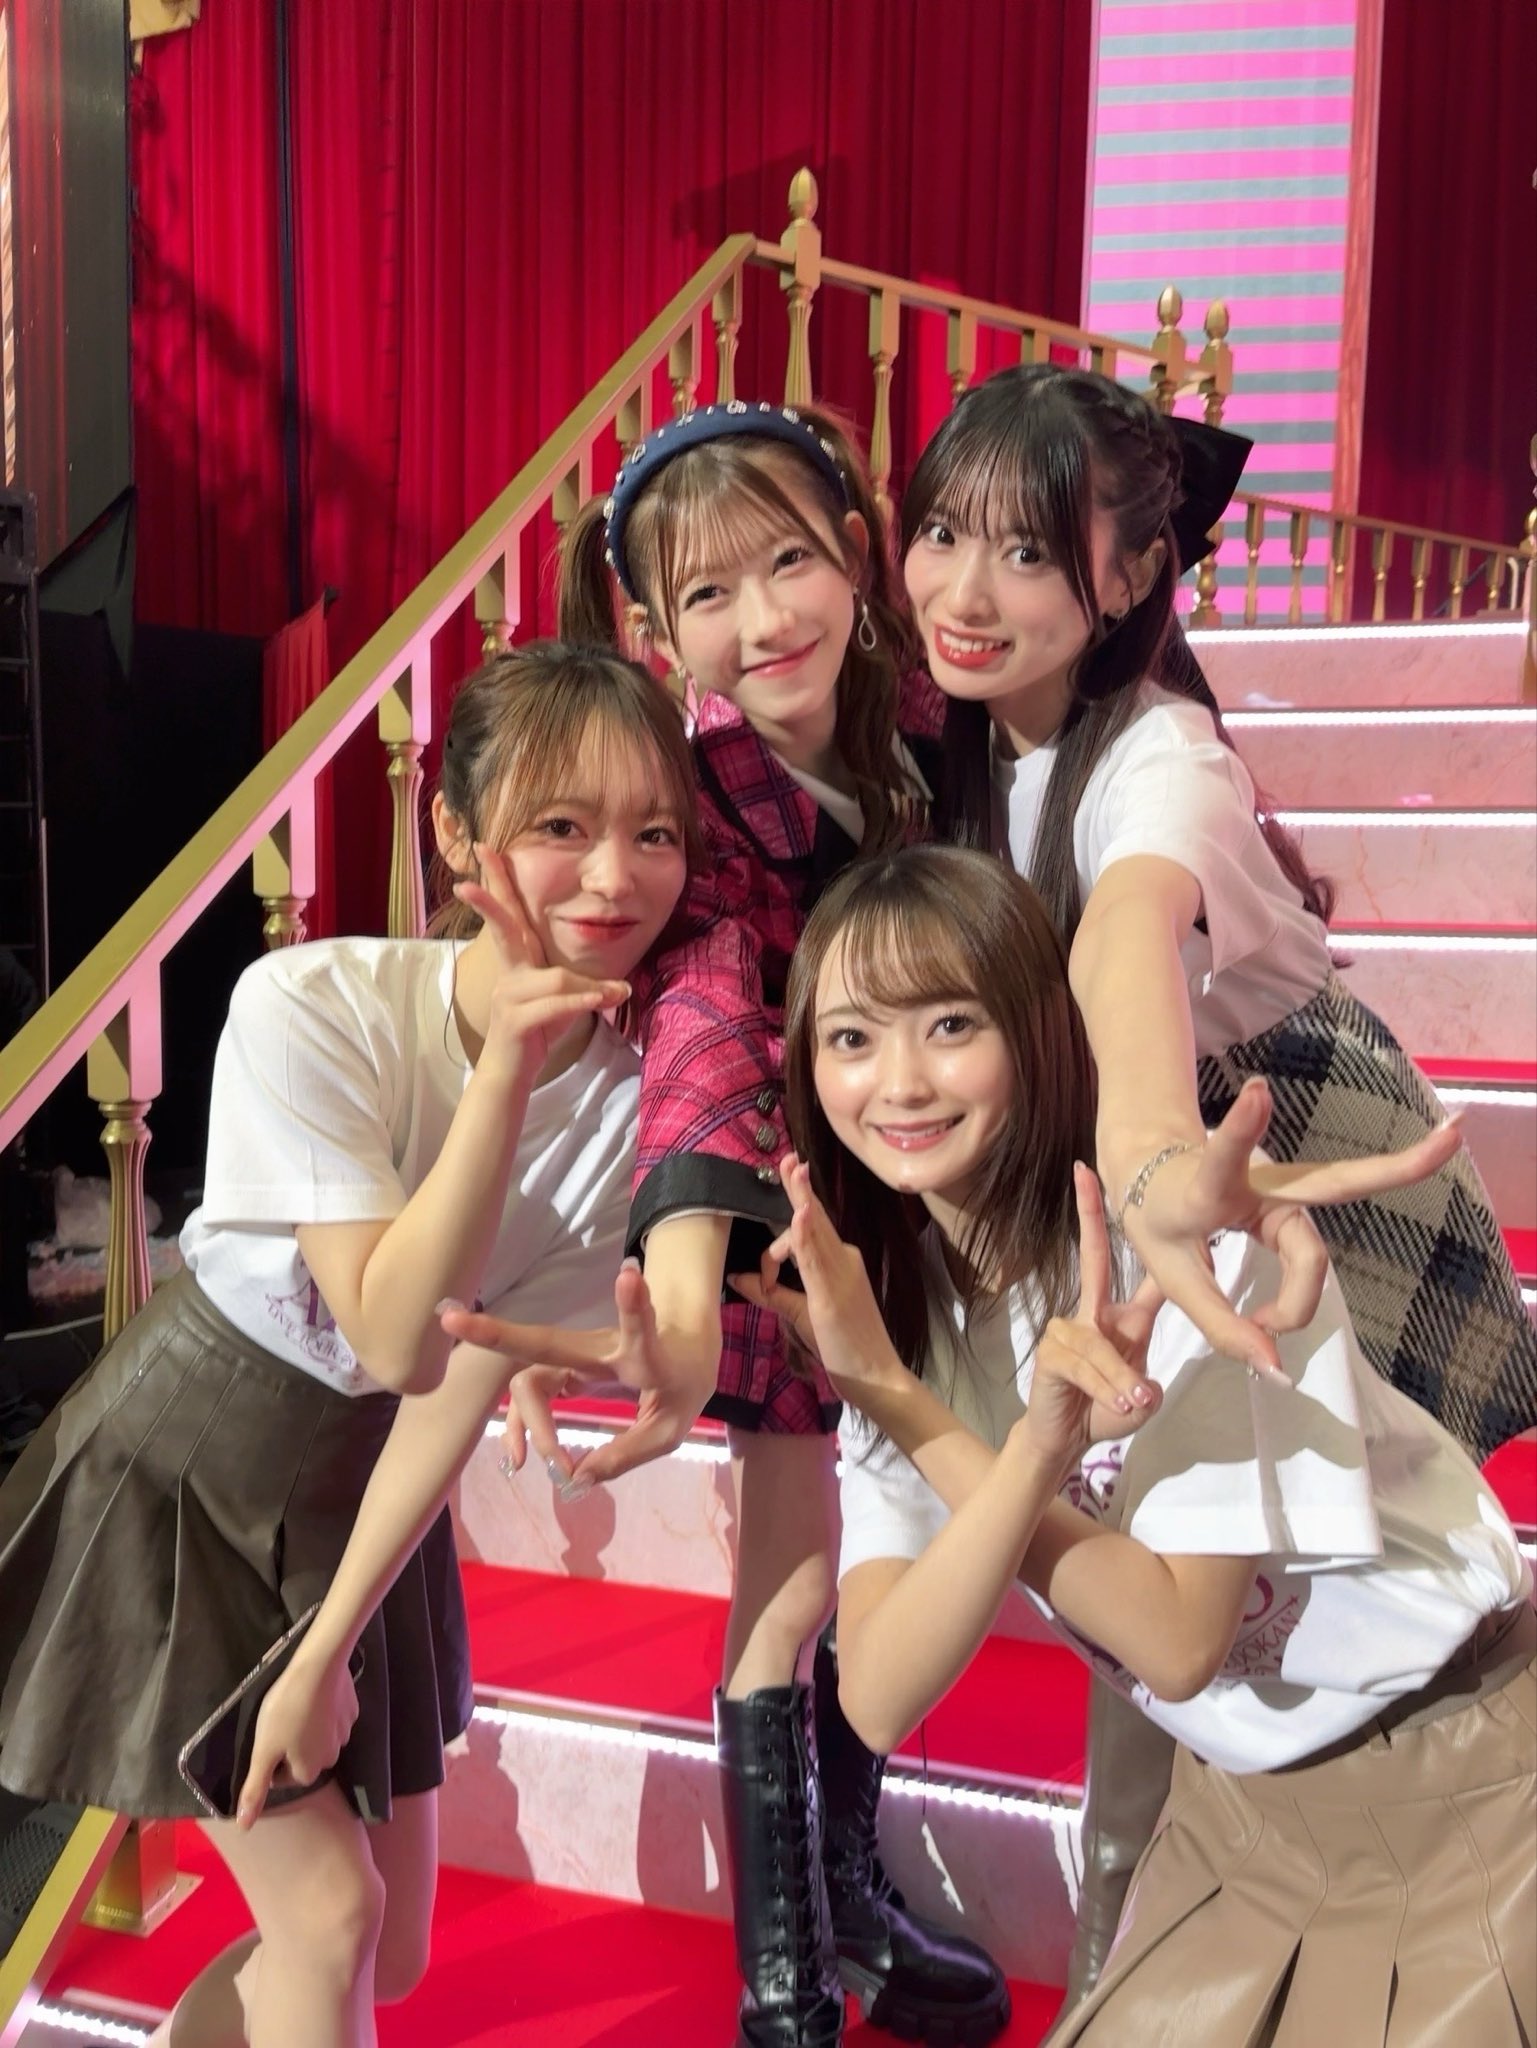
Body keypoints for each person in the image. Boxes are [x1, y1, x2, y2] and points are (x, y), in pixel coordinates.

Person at [897, 363, 1537, 1991]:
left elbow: (1121, 940)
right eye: (942, 534)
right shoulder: (982, 734)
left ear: (1126, 577)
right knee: (1184, 1630)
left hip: (1285, 1189)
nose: (963, 590)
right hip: (1190, 1200)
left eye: (1025, 552)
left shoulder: (1160, 758)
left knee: (1261, 1632)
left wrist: (1151, 1166)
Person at [0, 642, 695, 2048]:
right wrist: (501, 1072)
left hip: (367, 1495)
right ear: (458, 830)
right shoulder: (311, 1003)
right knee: (327, 1917)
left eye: (655, 833)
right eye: (561, 825)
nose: (612, 877)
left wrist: (325, 1645)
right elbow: (387, 1330)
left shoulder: (634, 1104)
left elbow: (450, 1381)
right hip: (191, 1468)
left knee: (391, 1950)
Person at [737, 843, 1533, 2048]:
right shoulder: (900, 1319)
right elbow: (881, 1693)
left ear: (1035, 1031)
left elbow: (1174, 1637)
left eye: (949, 1024)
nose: (897, 1081)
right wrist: (941, 1412)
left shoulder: (1184, 1254)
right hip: (1247, 1811)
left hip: (1464, 1773)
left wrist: (907, 1405)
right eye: (851, 1037)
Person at [521, 401, 1010, 2048]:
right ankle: (782, 1963)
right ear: (659, 634)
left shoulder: (935, 715)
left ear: (858, 555)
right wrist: (687, 1269)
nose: (762, 619)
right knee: (792, 1584)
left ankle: (849, 1894)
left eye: (788, 561)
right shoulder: (703, 802)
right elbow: (705, 1019)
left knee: (909, 1555)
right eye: (707, 595)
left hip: (942, 1182)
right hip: (782, 1208)